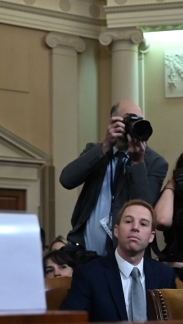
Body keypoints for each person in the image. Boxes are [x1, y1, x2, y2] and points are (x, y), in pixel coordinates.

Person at [59, 101, 168, 256]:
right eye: (129, 119)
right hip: (85, 252)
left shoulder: (155, 162)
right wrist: (105, 145)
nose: (133, 124)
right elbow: (67, 180)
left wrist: (137, 163)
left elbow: (145, 207)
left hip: (126, 255)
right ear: (113, 122)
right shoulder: (97, 151)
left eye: (138, 120)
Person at [60, 200, 176, 322]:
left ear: (151, 237)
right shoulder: (89, 274)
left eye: (143, 224)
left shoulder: (165, 275)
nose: (135, 227)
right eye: (128, 221)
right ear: (116, 230)